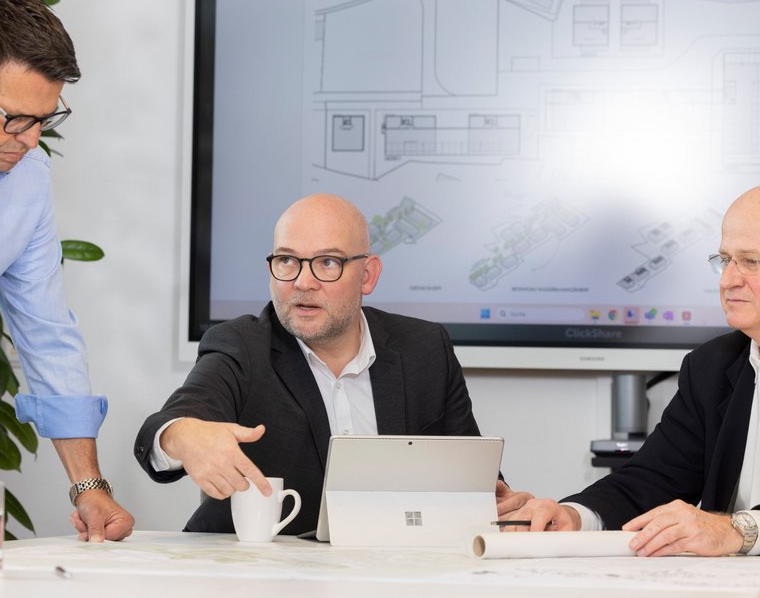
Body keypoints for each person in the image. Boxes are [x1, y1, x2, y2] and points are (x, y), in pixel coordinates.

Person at [135, 193, 529, 533]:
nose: (303, 282)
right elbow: (171, 424)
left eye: (327, 263)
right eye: (287, 261)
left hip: (393, 573)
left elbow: (476, 480)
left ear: (368, 275)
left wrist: (498, 505)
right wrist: (181, 435)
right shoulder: (241, 345)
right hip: (262, 578)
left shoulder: (425, 348)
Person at [502, 186, 760, 557]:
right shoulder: (714, 365)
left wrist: (738, 529)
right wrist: (574, 516)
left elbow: (731, 529)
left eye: (751, 262)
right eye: (724, 260)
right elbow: (652, 479)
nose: (727, 281)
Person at [0, 0, 133, 541]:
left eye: (44, 120)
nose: (32, 141)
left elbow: (46, 330)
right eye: (15, 118)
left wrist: (88, 486)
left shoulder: (26, 183)